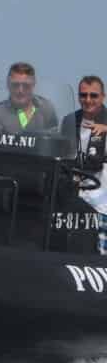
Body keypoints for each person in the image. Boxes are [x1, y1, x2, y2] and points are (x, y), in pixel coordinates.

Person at [61, 76, 107, 254]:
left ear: (103, 97)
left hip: (101, 207)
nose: (88, 100)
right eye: (83, 95)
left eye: (93, 95)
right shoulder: (69, 122)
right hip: (73, 205)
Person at [0, 61, 58, 133]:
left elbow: (55, 138)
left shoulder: (46, 109)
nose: (20, 90)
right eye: (15, 85)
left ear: (33, 84)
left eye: (26, 86)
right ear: (8, 84)